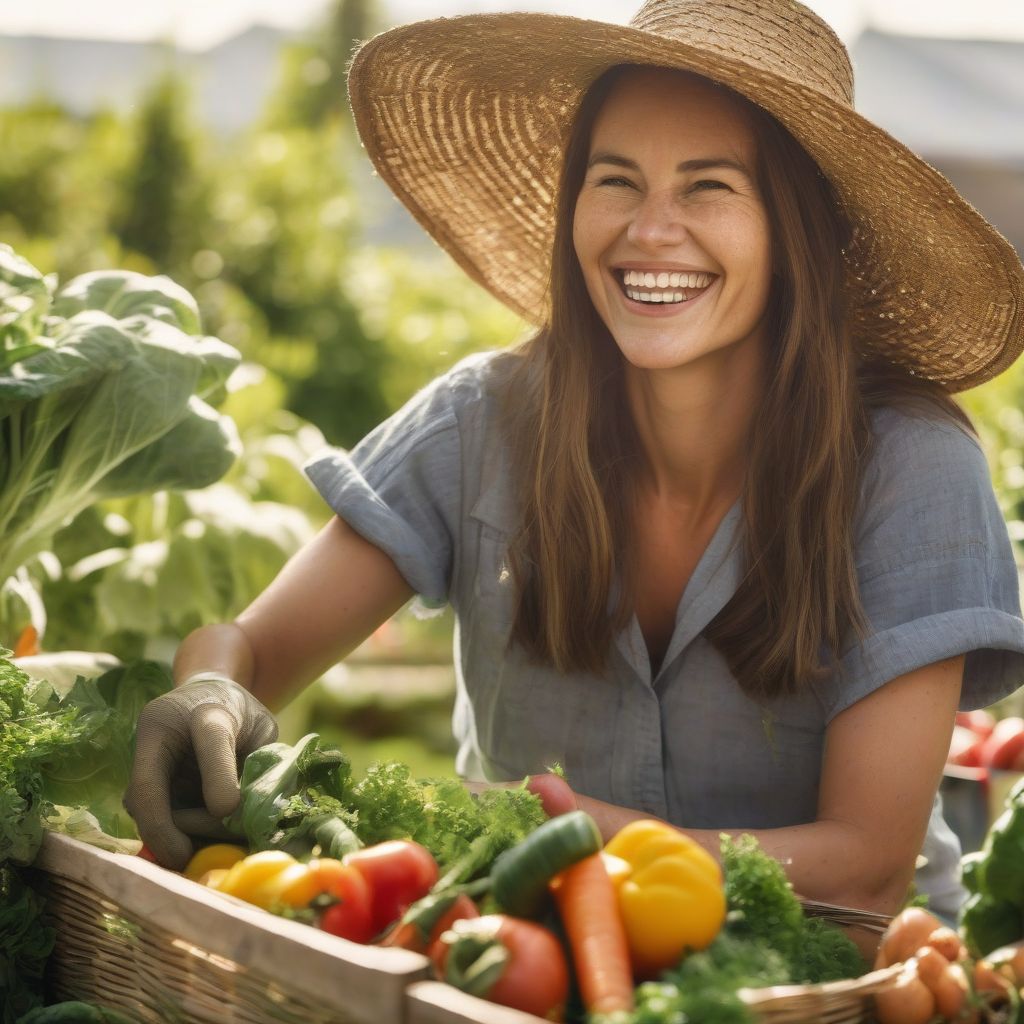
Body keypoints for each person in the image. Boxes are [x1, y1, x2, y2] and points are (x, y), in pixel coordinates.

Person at [125, 0, 1024, 936]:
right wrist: (212, 690)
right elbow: (257, 653)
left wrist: (557, 833)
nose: (650, 230)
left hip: (842, 984)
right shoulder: (482, 422)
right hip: (529, 976)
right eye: (616, 181)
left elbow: (867, 870)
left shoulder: (910, 467)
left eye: (708, 186)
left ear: (796, 230)